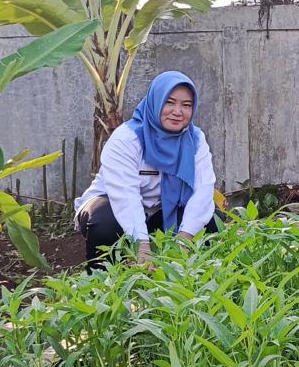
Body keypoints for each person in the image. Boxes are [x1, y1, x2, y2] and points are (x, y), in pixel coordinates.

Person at [74, 71, 218, 267]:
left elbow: (203, 191)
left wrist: (184, 240)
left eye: (186, 105)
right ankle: (101, 278)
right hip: (114, 206)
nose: (178, 111)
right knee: (104, 221)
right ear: (155, 101)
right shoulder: (127, 139)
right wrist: (141, 245)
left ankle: (193, 276)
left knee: (211, 219)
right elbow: (125, 195)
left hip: (160, 211)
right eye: (169, 102)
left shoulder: (196, 139)